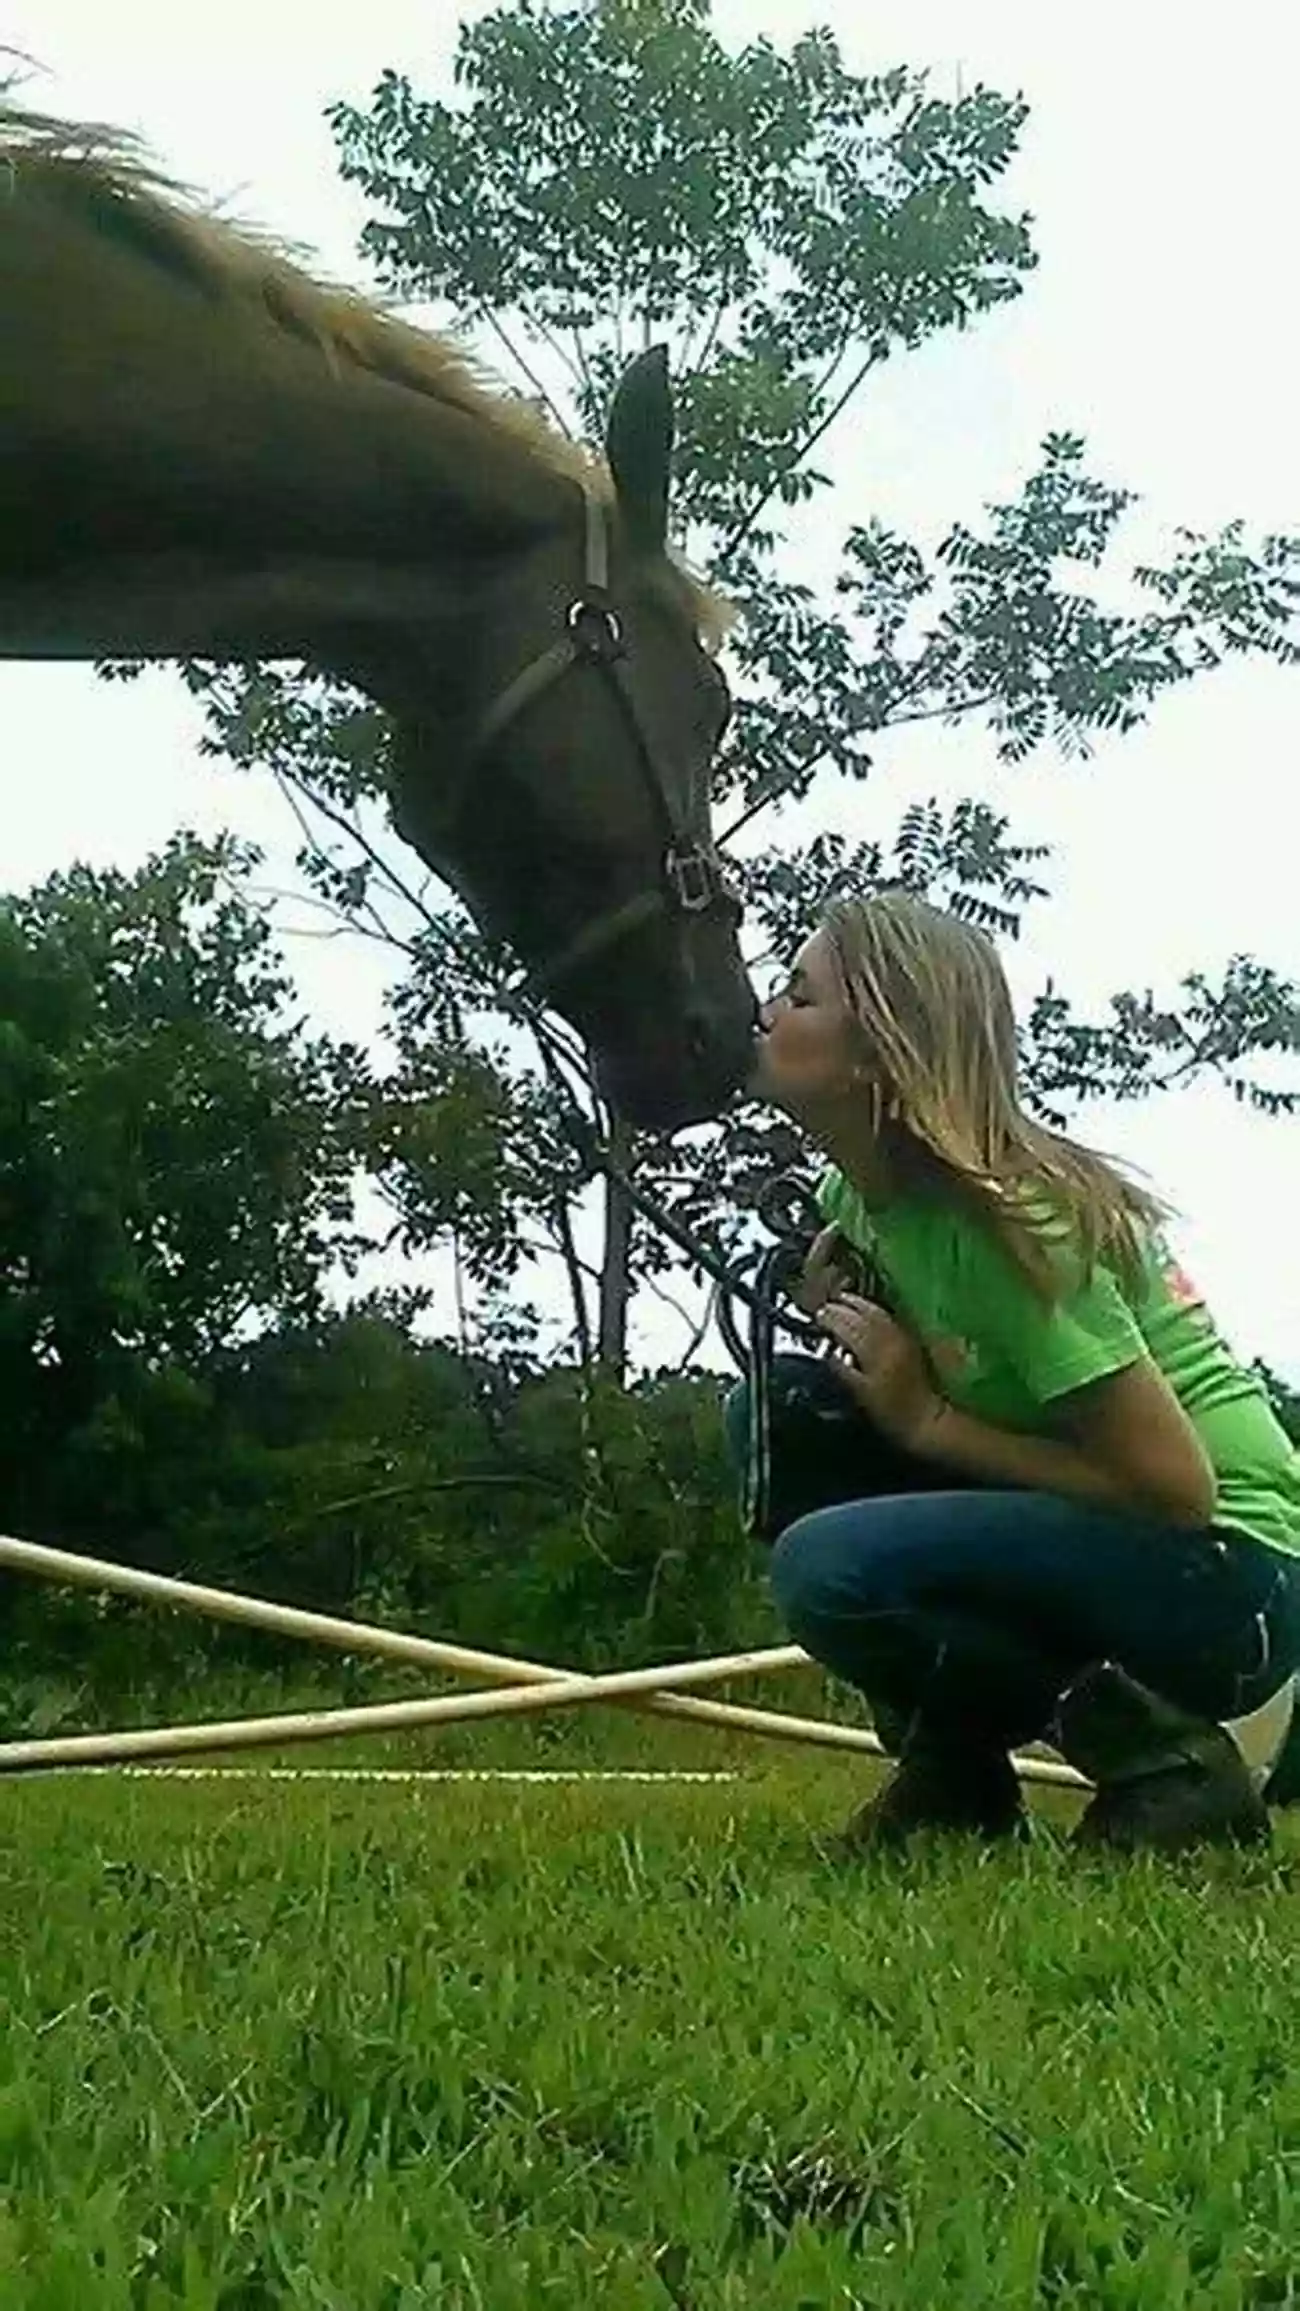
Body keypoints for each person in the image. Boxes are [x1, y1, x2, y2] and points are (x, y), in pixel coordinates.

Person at [735, 889, 1300, 1853]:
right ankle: (955, 1781)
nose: (766, 1010)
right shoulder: (860, 1195)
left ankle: (1168, 1766)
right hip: (1136, 1537)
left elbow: (1177, 1490)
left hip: (1233, 1576)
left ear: (878, 1053)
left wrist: (927, 1424)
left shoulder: (1008, 1224)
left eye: (801, 995)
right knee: (787, 1413)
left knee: (827, 1569)